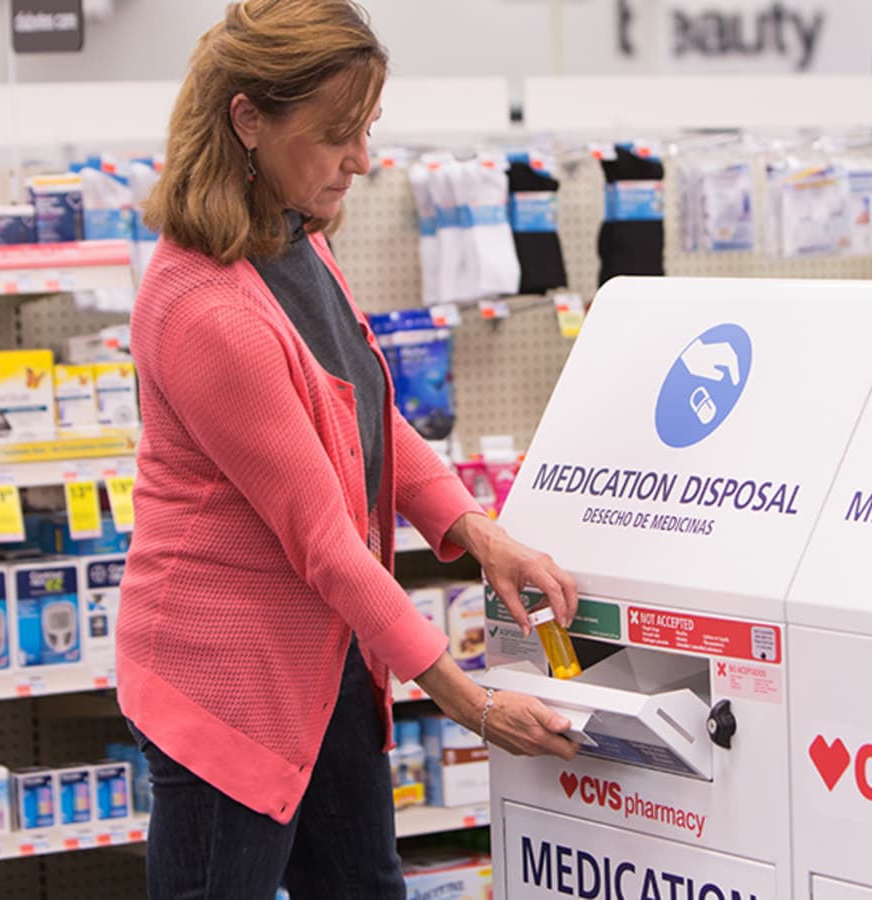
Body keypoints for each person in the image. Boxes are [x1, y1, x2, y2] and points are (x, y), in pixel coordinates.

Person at [116, 1, 581, 897]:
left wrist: (483, 535)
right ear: (248, 119)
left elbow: (367, 418)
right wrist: (470, 701)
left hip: (328, 654)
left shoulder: (292, 240)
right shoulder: (207, 308)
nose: (361, 161)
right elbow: (324, 538)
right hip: (230, 680)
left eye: (366, 130)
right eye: (337, 136)